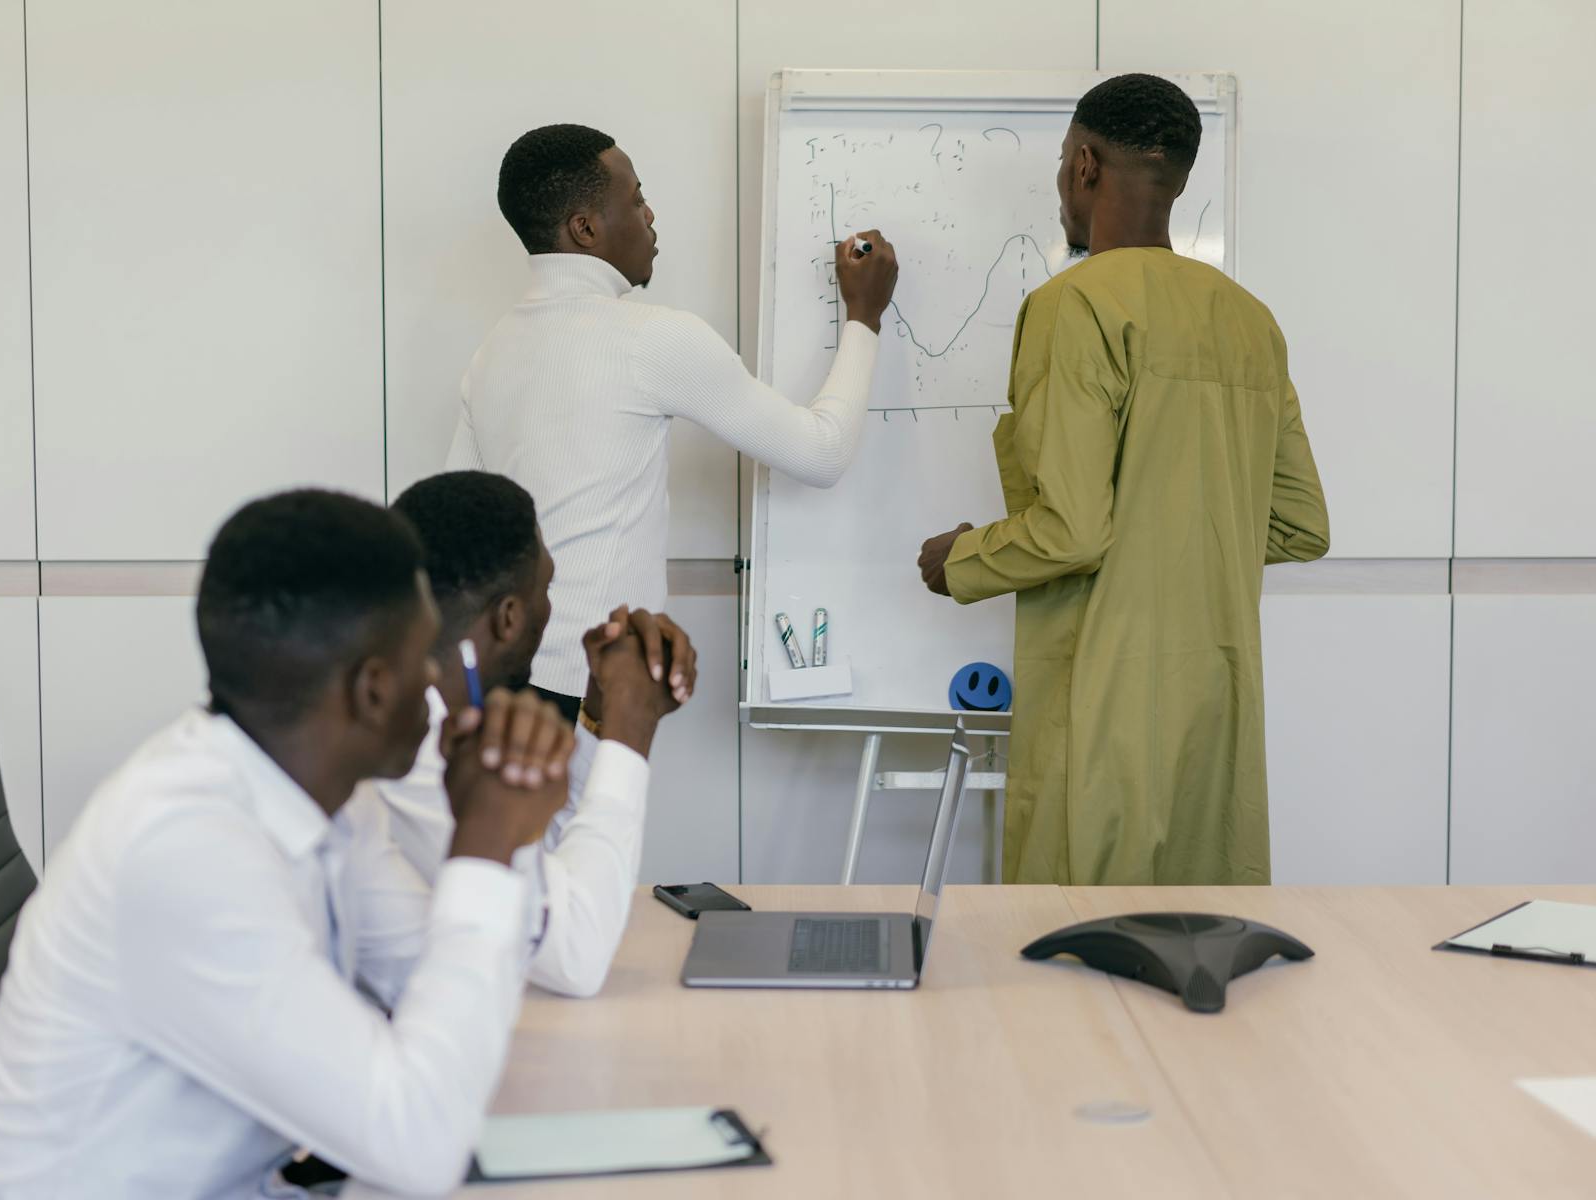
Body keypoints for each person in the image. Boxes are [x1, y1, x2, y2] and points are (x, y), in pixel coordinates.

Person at [0, 489, 581, 1198]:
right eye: (423, 658)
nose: (439, 678)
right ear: (373, 691)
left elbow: (438, 981)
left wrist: (502, 822)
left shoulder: (333, 800)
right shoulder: (186, 853)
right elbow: (418, 1144)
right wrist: (488, 844)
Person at [915, 74, 1329, 887]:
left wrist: (960, 559)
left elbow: (1072, 529)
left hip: (1102, 713)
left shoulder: (1075, 306)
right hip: (1216, 711)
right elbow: (1299, 527)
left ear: (1084, 165)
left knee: (1076, 965)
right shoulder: (1251, 322)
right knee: (1197, 958)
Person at [449, 123, 900, 718]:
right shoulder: (653, 338)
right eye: (635, 198)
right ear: (585, 228)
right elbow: (821, 453)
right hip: (590, 690)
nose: (650, 213)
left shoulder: (492, 352)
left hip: (501, 693)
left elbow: (458, 535)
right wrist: (864, 317)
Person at [383, 470, 695, 998]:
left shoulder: (431, 724)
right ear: (508, 617)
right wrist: (630, 728)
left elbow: (542, 881)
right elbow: (575, 955)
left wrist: (597, 720)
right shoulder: (411, 762)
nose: (549, 609)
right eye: (545, 587)